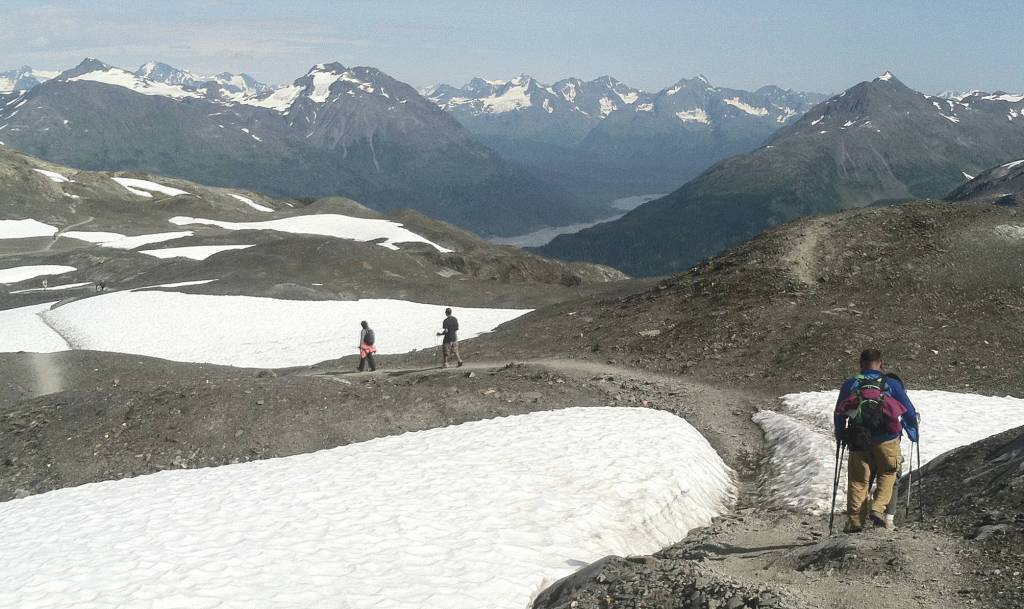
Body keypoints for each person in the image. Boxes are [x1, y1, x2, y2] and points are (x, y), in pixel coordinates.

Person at [834, 349, 918, 532]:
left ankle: (855, 522)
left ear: (861, 364)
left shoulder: (851, 384)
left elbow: (839, 413)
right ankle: (878, 508)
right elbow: (909, 412)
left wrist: (840, 434)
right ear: (880, 363)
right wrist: (913, 428)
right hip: (887, 438)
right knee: (888, 472)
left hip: (858, 438)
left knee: (858, 480)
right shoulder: (892, 384)